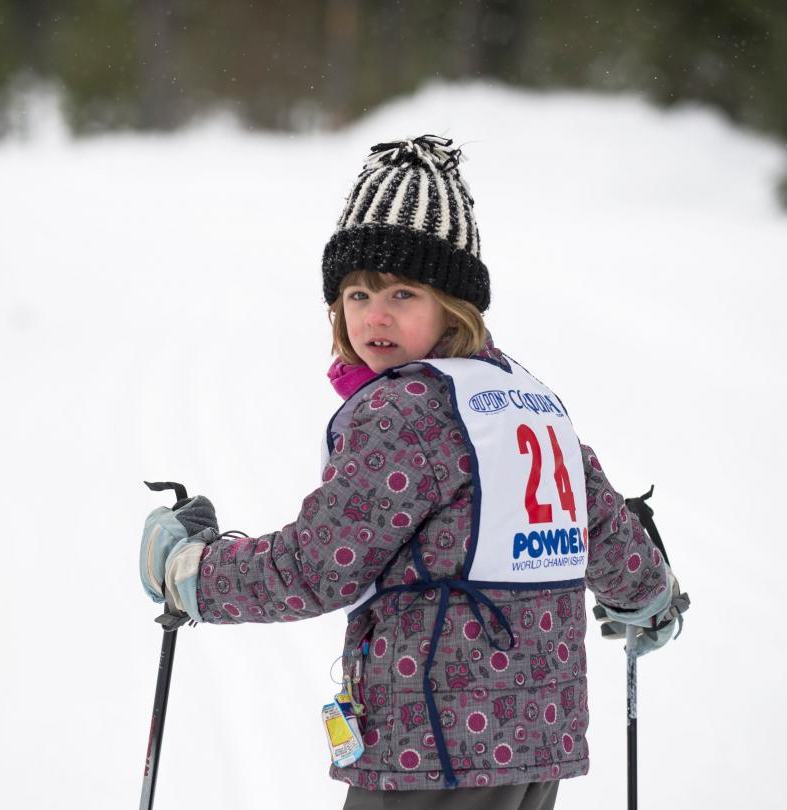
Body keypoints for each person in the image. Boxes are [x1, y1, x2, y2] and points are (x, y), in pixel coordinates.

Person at [139, 134, 688, 809]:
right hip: (534, 750)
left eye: (403, 292)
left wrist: (191, 574)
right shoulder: (527, 399)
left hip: (431, 749)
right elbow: (600, 520)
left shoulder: (408, 410)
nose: (375, 315)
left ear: (453, 304)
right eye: (357, 293)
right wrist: (649, 596)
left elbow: (318, 565)